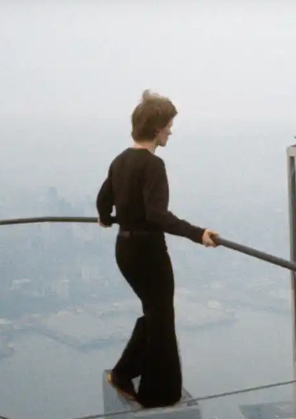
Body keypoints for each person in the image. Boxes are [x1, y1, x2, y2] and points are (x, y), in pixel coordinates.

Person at [95, 89, 218, 408]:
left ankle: (131, 375)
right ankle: (155, 392)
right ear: (156, 128)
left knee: (156, 313)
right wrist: (198, 233)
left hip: (125, 249)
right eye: (168, 126)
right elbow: (156, 215)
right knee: (161, 316)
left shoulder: (119, 160)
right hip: (149, 253)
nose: (171, 131)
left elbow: (103, 200)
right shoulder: (153, 165)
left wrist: (108, 219)